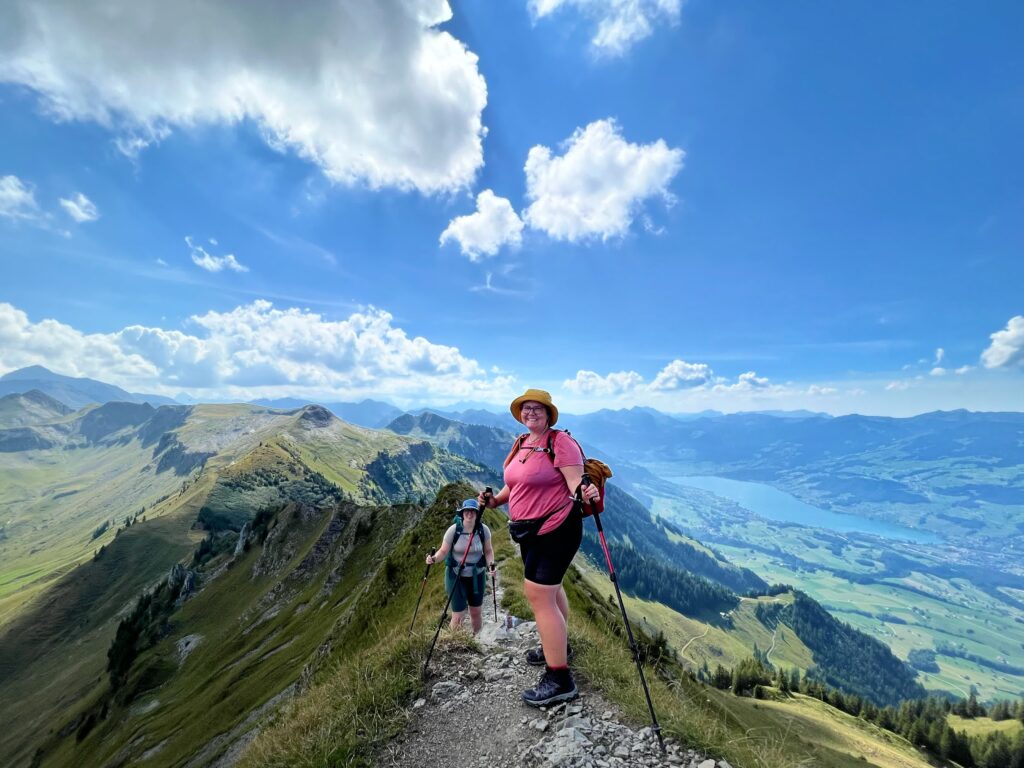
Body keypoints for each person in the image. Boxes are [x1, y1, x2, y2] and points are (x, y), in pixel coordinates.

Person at [479, 388, 599, 707]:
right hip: (529, 531)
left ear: (549, 414)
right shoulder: (522, 443)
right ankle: (559, 647)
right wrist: (496, 501)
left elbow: (575, 482)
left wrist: (586, 490)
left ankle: (559, 678)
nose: (530, 412)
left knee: (539, 595)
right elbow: (514, 484)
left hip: (557, 528)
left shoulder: (561, 442)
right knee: (552, 590)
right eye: (526, 408)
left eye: (537, 409)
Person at [427, 498, 495, 635]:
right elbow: (443, 551)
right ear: (462, 513)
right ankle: (453, 643)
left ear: (477, 514)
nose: (469, 514)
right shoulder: (454, 530)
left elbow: (488, 551)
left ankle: (478, 638)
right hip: (455, 575)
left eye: (473, 511)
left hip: (477, 575)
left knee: (476, 612)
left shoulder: (483, 530)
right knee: (458, 614)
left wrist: (491, 567)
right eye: (466, 511)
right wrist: (433, 559)